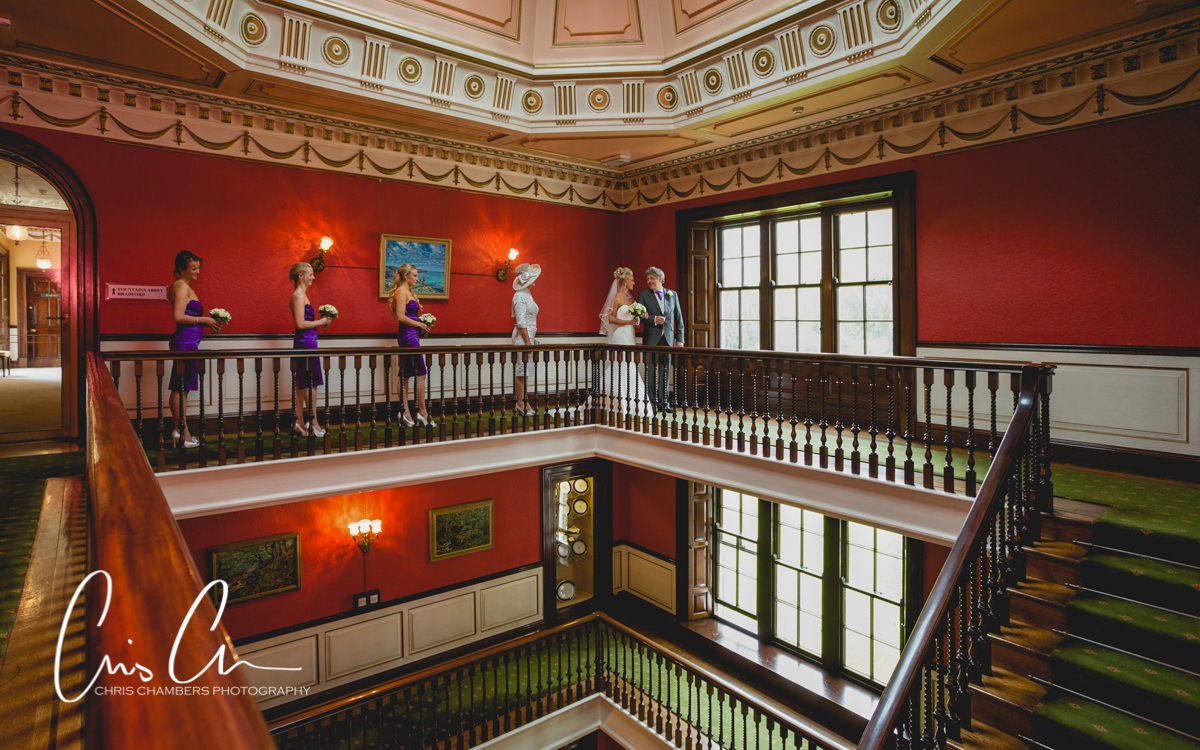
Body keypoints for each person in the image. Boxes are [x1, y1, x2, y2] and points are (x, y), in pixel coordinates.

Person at [167, 250, 223, 448]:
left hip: (189, 341)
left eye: (199, 268)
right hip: (185, 342)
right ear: (181, 269)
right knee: (180, 387)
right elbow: (178, 317)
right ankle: (183, 433)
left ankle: (182, 431)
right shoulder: (181, 287)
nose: (197, 272)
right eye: (193, 268)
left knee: (182, 388)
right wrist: (204, 319)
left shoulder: (179, 286)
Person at [598, 267, 652, 415]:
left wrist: (641, 315)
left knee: (630, 365)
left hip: (629, 334)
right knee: (619, 365)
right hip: (620, 333)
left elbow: (636, 312)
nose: (634, 282)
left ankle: (633, 401)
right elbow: (610, 318)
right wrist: (628, 322)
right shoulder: (617, 298)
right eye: (632, 280)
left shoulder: (630, 298)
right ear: (624, 282)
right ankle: (614, 402)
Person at [289, 262, 332, 437]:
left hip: (308, 342)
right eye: (311, 274)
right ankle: (313, 422)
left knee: (303, 384)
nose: (313, 277)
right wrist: (322, 322)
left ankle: (299, 422)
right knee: (310, 383)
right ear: (301, 276)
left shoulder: (301, 295)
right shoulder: (298, 295)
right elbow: (300, 324)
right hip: (305, 343)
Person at [389, 263, 435, 427]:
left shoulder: (408, 291)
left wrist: (419, 321)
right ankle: (419, 412)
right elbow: (401, 317)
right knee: (418, 373)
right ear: (405, 276)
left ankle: (407, 412)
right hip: (408, 336)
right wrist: (420, 325)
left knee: (406, 373)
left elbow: (408, 315)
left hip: (412, 335)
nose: (417, 278)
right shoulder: (401, 292)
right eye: (414, 275)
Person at [635, 266, 685, 412]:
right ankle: (650, 403)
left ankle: (665, 404)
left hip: (668, 339)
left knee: (665, 372)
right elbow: (640, 319)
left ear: (660, 279)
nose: (649, 281)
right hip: (651, 339)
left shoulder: (672, 295)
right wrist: (654, 319)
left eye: (651, 278)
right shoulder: (643, 295)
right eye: (647, 279)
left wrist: (679, 339)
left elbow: (678, 318)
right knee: (650, 371)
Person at [510, 262, 541, 415]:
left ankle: (525, 401)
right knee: (521, 372)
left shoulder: (527, 294)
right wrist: (528, 342)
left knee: (526, 372)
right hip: (523, 338)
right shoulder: (519, 296)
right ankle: (520, 403)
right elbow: (521, 322)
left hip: (529, 336)